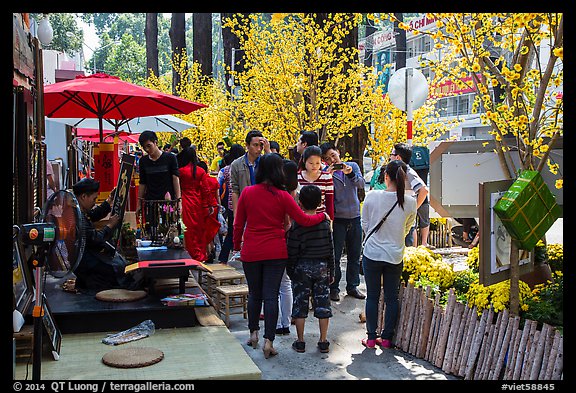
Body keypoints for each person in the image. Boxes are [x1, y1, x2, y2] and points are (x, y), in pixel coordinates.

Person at [233, 153, 329, 359]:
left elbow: (238, 224)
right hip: (276, 251)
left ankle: (253, 334)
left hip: (251, 250)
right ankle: (269, 341)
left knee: (254, 294)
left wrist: (236, 246)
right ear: (279, 172)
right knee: (271, 295)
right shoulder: (283, 195)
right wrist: (322, 215)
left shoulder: (248, 193)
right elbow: (303, 219)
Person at [360, 160, 417, 349]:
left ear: (386, 177)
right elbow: (407, 228)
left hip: (372, 254)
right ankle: (386, 339)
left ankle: (370, 338)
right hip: (394, 255)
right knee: (392, 297)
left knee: (372, 296)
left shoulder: (372, 196)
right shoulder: (410, 202)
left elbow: (365, 224)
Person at [286, 184, 335, 354]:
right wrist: (332, 270)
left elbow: (291, 249)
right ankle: (323, 341)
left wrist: (291, 270)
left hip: (302, 267)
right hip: (321, 267)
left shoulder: (297, 224)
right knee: (323, 304)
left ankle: (300, 341)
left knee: (300, 304)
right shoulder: (325, 222)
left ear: (299, 202)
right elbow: (331, 248)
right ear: (320, 202)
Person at [72, 178, 142, 293]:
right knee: (118, 267)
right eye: (94, 199)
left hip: (88, 253)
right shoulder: (77, 217)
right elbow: (96, 238)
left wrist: (109, 200)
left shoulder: (80, 210)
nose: (95, 202)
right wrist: (110, 225)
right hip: (86, 260)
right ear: (83, 197)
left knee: (120, 260)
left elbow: (93, 214)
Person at [320, 142, 366, 301]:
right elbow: (323, 190)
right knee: (336, 256)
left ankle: (352, 286)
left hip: (355, 217)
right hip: (338, 219)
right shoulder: (326, 172)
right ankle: (334, 287)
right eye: (327, 158)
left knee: (355, 255)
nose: (332, 160)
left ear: (338, 152)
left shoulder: (352, 165)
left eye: (333, 155)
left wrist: (350, 173)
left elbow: (360, 184)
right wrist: (328, 174)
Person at [136, 131, 182, 237]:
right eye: (144, 147)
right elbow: (142, 183)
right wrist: (139, 204)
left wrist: (179, 201)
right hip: (150, 202)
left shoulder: (170, 158)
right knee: (152, 232)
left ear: (156, 142)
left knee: (169, 229)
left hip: (168, 202)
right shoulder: (143, 161)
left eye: (149, 146)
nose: (147, 150)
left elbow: (176, 179)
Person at [178, 146, 218, 262]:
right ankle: (199, 254)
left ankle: (189, 253)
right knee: (198, 229)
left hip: (185, 201)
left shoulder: (181, 171)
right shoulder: (200, 171)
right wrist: (210, 205)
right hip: (198, 202)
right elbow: (206, 190)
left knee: (187, 230)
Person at [275, 159, 299, 335]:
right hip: (293, 244)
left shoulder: (280, 195)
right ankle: (286, 321)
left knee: (274, 285)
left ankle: (276, 323)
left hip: (279, 241)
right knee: (286, 284)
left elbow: (286, 223)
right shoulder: (297, 194)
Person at [391, 143, 430, 248]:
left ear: (398, 157)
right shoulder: (397, 171)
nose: (389, 157)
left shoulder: (408, 171)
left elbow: (424, 190)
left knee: (407, 250)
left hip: (405, 221)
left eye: (391, 154)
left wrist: (414, 208)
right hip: (398, 220)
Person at [217, 144, 246, 264]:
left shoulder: (225, 170)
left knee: (231, 230)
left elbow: (218, 185)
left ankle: (223, 258)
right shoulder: (244, 167)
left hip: (230, 204)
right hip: (245, 202)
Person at [230, 130, 271, 214]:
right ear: (247, 145)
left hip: (264, 208)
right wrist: (236, 214)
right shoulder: (236, 164)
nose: (259, 149)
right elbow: (235, 191)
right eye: (255, 145)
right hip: (246, 208)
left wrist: (268, 152)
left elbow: (277, 174)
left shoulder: (266, 162)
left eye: (261, 145)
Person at [296, 145, 334, 220]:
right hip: (301, 219)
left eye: (317, 163)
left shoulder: (326, 177)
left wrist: (330, 221)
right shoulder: (297, 177)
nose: (314, 166)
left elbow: (329, 202)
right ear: (304, 161)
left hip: (320, 219)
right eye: (311, 163)